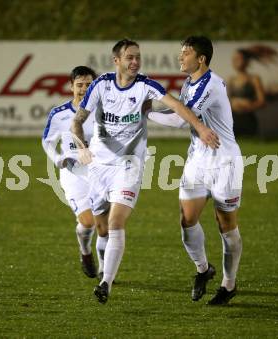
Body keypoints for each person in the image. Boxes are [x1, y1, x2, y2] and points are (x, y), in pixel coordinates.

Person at [71, 38, 218, 304]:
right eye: (129, 57)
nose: (135, 62)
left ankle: (106, 284)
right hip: (98, 167)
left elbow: (177, 107)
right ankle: (103, 266)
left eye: (138, 57)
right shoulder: (101, 85)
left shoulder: (145, 85)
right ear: (116, 61)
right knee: (102, 228)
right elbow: (77, 121)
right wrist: (81, 147)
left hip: (128, 167)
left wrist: (201, 127)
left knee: (116, 223)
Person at [148, 36, 243, 305]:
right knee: (187, 219)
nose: (180, 57)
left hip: (225, 162)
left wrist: (146, 113)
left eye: (186, 53)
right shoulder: (189, 83)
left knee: (226, 225)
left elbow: (180, 120)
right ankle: (203, 269)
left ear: (201, 58)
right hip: (197, 162)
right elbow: (184, 113)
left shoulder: (211, 85)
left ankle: (229, 283)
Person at [42, 66, 109, 280]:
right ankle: (85, 251)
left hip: (101, 173)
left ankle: (105, 271)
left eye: (89, 85)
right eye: (79, 85)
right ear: (71, 86)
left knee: (105, 226)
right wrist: (58, 158)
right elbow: (47, 141)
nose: (84, 89)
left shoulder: (104, 111)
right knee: (88, 222)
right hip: (74, 175)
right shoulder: (59, 114)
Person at [228, 45, 278, 136]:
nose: (235, 61)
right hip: (232, 120)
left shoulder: (254, 79)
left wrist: (248, 106)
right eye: (234, 59)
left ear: (246, 61)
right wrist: (234, 103)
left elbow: (262, 101)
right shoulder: (231, 80)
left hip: (248, 120)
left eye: (238, 59)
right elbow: (225, 101)